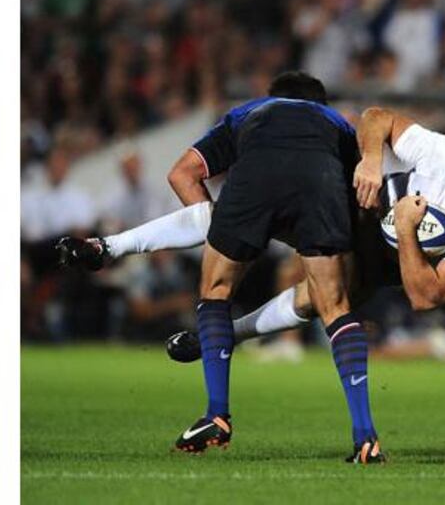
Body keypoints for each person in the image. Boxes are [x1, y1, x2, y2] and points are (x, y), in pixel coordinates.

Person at [60, 71, 384, 463]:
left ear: (273, 96)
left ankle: (217, 413)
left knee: (216, 290)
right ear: (320, 102)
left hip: (255, 179)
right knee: (334, 306)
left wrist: (224, 228)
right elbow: (359, 194)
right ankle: (365, 437)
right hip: (321, 184)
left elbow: (182, 173)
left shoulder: (248, 112)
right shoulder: (335, 123)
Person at [58, 106, 445, 360]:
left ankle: (226, 336)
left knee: (319, 298)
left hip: (393, 258)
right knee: (232, 221)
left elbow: (425, 297)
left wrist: (404, 229)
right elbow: (376, 117)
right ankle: (108, 247)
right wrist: (372, 161)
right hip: (356, 205)